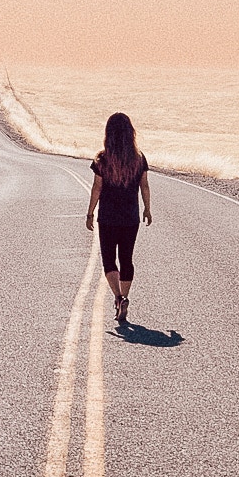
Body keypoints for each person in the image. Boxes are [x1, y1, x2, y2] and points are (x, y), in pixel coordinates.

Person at [85, 112, 152, 326]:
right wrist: (147, 209)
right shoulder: (139, 159)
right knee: (126, 259)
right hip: (131, 218)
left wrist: (90, 213)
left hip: (107, 218)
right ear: (130, 133)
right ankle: (125, 295)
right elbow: (144, 186)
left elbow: (97, 187)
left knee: (108, 260)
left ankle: (118, 297)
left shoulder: (102, 159)